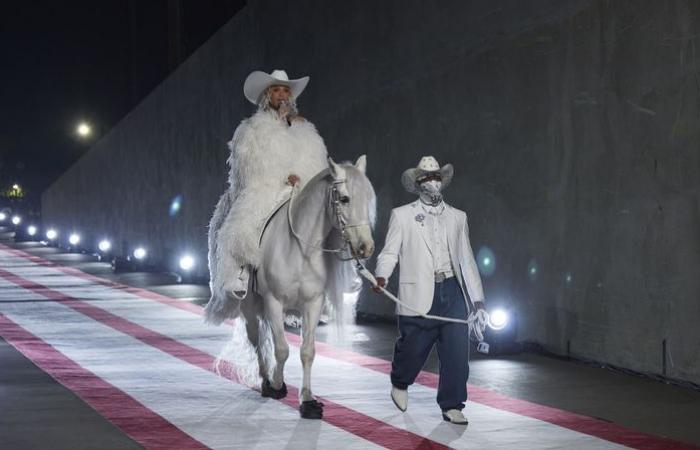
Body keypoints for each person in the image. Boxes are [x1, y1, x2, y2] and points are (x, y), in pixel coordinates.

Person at [206, 69, 328, 323]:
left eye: (286, 90)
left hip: (299, 191)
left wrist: (301, 179)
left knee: (328, 221)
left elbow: (316, 164)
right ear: (267, 95)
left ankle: (324, 288)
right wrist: (282, 177)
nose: (282, 94)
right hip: (265, 185)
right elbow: (248, 163)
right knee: (242, 224)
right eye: (276, 90)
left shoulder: (304, 128)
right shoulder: (252, 128)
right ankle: (238, 273)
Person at [373, 156, 488, 424]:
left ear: (442, 181)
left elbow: (467, 259)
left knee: (457, 352)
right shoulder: (402, 216)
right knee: (413, 348)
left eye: (436, 177)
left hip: (452, 291)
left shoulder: (458, 217)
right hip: (419, 292)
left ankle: (452, 404)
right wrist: (381, 276)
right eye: (427, 177)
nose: (432, 181)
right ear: (418, 183)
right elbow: (390, 252)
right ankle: (400, 382)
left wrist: (478, 300)